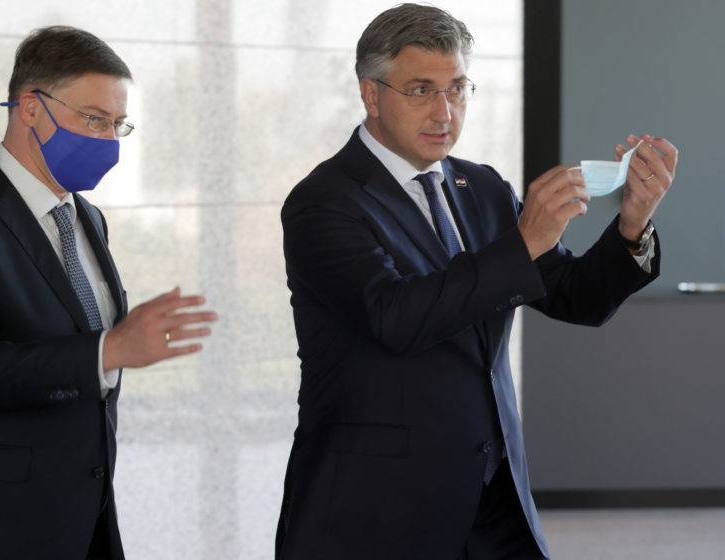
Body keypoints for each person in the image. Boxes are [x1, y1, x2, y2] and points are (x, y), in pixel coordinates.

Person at [274, 4, 678, 559]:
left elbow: (575, 297)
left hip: (495, 502)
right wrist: (523, 243)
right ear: (371, 94)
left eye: (458, 88)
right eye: (421, 90)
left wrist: (633, 222)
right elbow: (395, 318)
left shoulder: (483, 188)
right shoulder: (323, 202)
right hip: (376, 510)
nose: (444, 111)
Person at [0, 26, 217, 560]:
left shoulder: (88, 218)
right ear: (31, 108)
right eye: (93, 119)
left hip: (80, 523)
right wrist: (109, 350)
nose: (108, 141)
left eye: (117, 124)